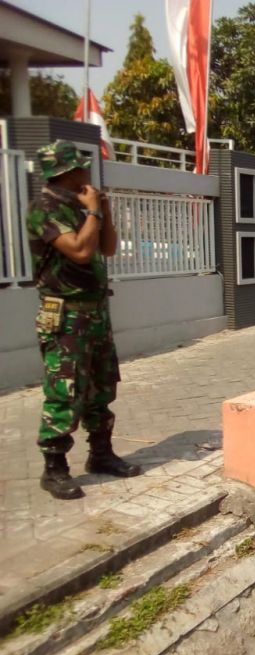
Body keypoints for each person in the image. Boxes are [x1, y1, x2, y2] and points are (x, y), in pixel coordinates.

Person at [25, 140, 141, 500]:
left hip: (93, 312)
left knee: (101, 386)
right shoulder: (43, 208)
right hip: (65, 314)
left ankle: (101, 454)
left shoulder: (80, 207)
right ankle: (54, 468)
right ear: (66, 172)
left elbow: (107, 249)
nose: (88, 173)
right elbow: (79, 250)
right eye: (82, 167)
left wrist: (100, 210)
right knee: (65, 390)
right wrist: (92, 212)